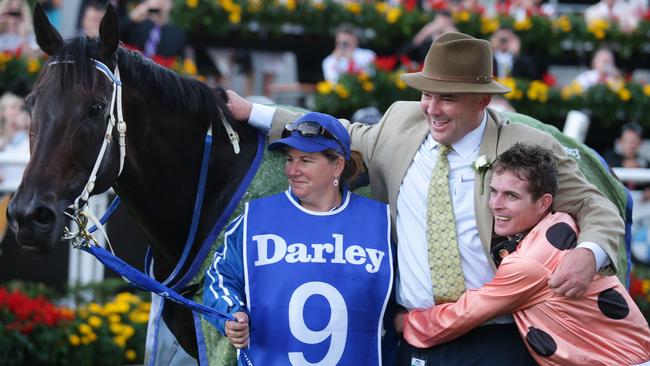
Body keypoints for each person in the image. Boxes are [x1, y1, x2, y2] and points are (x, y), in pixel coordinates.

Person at [225, 31, 624, 365]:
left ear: (482, 100)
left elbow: (595, 206)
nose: (431, 108)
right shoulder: (402, 121)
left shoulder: (527, 143)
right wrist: (254, 112)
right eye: (427, 94)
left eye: (446, 98)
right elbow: (343, 136)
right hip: (416, 337)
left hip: (499, 338)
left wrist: (588, 254)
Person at [395, 143, 650, 365]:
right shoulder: (562, 221)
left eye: (511, 196)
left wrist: (406, 322)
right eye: (493, 191)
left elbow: (464, 314)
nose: (495, 204)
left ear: (544, 202)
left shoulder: (529, 263)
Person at [203, 112, 394, 365]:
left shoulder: (381, 221)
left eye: (306, 160)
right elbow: (219, 277)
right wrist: (231, 314)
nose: (292, 170)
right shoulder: (255, 219)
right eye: (289, 159)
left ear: (337, 165)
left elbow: (409, 293)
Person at [119, 0, 187, 59]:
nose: (160, 2)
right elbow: (115, 37)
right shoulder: (136, 24)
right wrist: (131, 18)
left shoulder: (177, 34)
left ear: (172, 5)